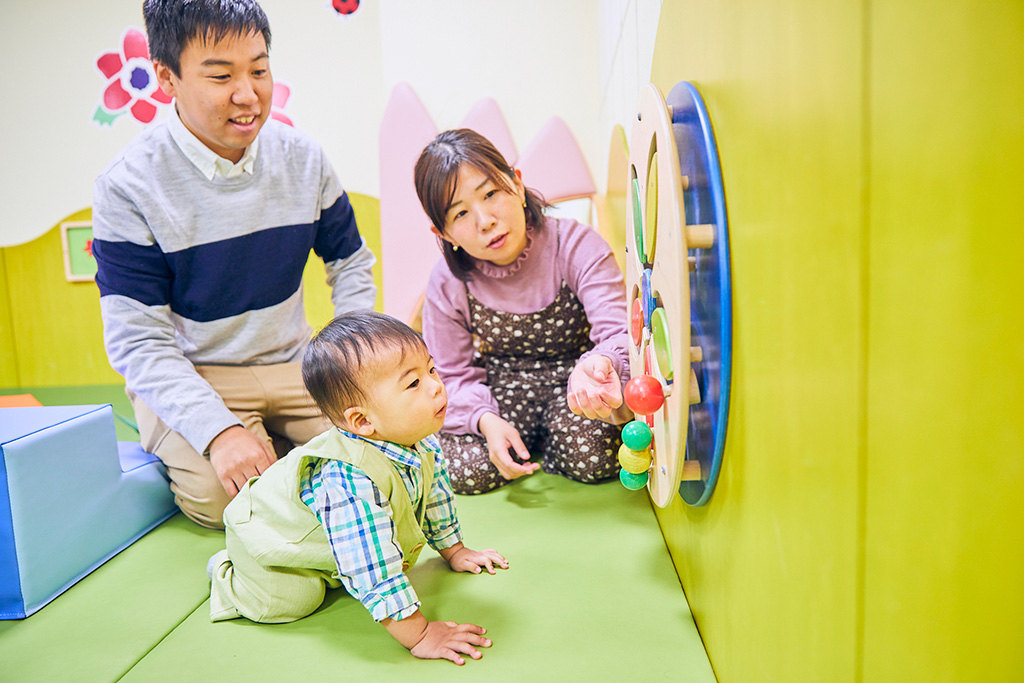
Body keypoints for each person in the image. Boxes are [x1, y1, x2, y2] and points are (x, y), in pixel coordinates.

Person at [92, 0, 376, 528]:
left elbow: (351, 263)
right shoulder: (128, 186)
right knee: (226, 502)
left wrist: (346, 357)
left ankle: (286, 457)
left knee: (385, 460)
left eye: (260, 70)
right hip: (198, 373)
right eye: (221, 75)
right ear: (165, 77)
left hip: (297, 362)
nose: (248, 95)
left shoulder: (304, 158)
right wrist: (219, 433)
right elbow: (138, 341)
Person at [208, 312, 506, 666]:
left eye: (431, 370)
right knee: (292, 602)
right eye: (413, 384)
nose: (435, 386)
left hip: (332, 540)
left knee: (356, 560)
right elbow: (372, 564)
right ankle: (226, 570)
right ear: (362, 421)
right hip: (270, 540)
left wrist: (454, 550)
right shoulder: (347, 479)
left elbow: (434, 496)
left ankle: (329, 568)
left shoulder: (419, 440)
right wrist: (420, 633)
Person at [415, 128, 631, 495]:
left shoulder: (576, 245)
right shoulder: (446, 281)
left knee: (598, 455)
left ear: (516, 184)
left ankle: (556, 440)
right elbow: (448, 374)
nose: (485, 221)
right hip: (501, 395)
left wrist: (599, 365)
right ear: (444, 233)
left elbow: (618, 333)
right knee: (459, 469)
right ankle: (528, 442)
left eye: (491, 194)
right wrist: (484, 420)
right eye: (462, 213)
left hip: (575, 387)